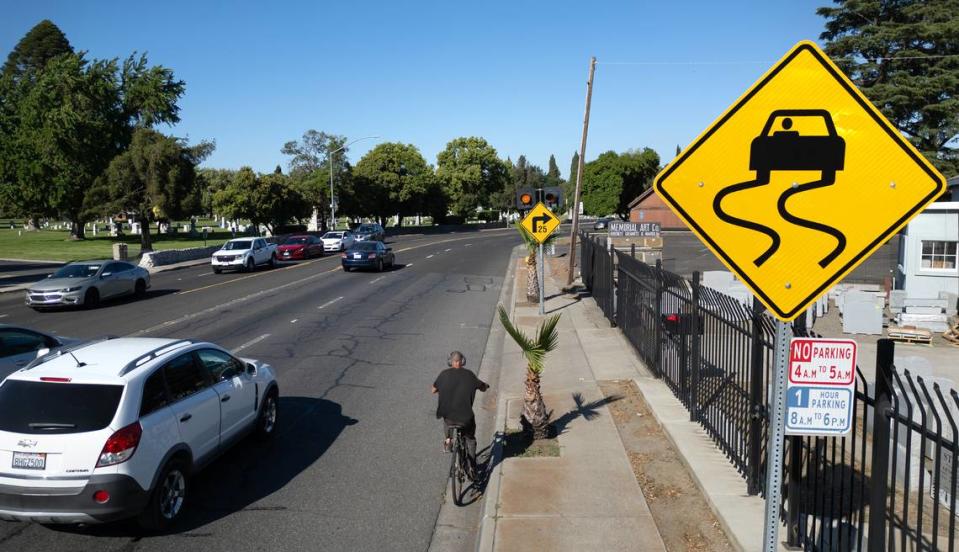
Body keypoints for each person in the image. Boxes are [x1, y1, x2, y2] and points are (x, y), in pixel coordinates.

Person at [432, 351, 488, 475]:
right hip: (466, 419)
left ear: (450, 362)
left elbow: (433, 390)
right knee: (470, 440)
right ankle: (472, 467)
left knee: (447, 416)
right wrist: (485, 386)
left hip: (450, 419)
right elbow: (482, 387)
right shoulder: (469, 375)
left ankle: (448, 440)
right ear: (462, 361)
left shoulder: (443, 374)